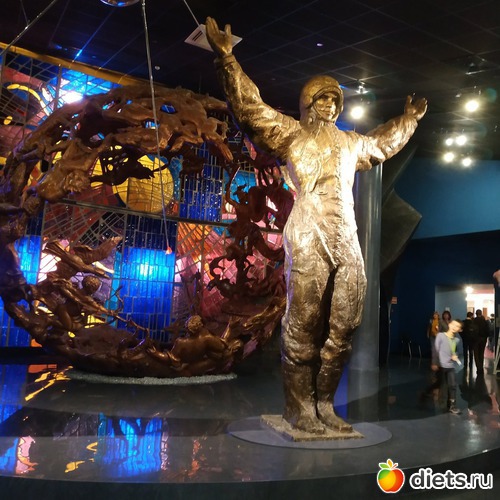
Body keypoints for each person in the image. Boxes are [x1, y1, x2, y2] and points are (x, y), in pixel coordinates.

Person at [205, 17, 427, 434]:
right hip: (309, 230)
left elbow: (382, 143)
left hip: (346, 234)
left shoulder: (351, 143)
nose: (328, 106)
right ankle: (299, 408)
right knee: (304, 321)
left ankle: (325, 404)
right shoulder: (291, 134)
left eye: (334, 100)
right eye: (321, 99)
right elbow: (252, 110)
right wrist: (227, 60)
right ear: (307, 103)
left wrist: (409, 121)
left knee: (346, 322)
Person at [433, 320, 464, 414]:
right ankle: (440, 402)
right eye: (454, 324)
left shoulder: (457, 340)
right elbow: (435, 350)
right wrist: (435, 363)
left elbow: (456, 351)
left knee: (452, 385)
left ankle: (452, 406)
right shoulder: (440, 336)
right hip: (441, 366)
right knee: (441, 386)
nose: (455, 327)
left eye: (457, 326)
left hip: (450, 366)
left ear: (460, 329)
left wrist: (455, 355)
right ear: (449, 324)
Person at [473, 309, 489, 376]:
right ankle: (481, 367)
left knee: (476, 354)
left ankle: (478, 368)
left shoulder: (473, 321)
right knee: (481, 353)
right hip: (483, 339)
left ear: (476, 313)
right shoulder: (484, 321)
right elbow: (487, 330)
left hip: (475, 340)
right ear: (481, 313)